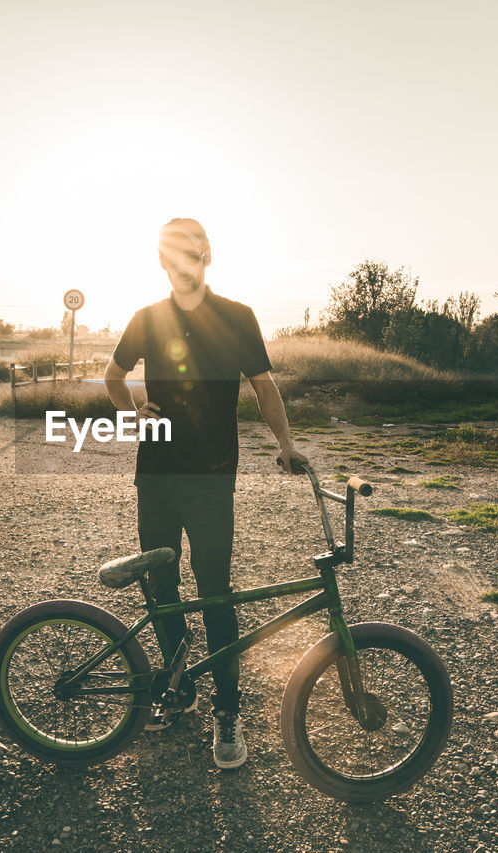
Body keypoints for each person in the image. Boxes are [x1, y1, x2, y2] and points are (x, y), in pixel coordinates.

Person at [105, 217, 307, 770]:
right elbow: (112, 376)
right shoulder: (146, 318)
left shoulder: (237, 318)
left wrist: (286, 443)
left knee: (216, 589)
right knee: (161, 580)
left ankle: (227, 709)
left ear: (207, 255)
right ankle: (179, 683)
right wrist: (132, 411)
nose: (181, 264)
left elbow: (264, 386)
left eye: (190, 253)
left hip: (215, 476)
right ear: (162, 263)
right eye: (171, 256)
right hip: (157, 475)